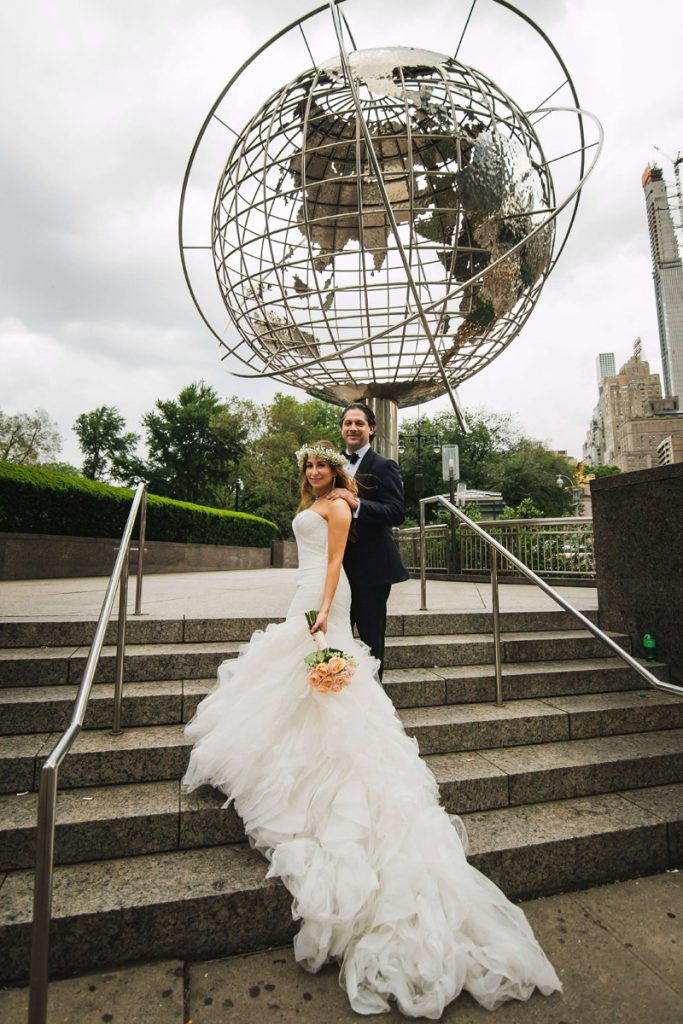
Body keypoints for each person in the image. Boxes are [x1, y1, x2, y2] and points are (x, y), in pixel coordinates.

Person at [182, 440, 561, 1019]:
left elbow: (334, 559)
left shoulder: (338, 505)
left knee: (327, 681)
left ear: (335, 472)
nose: (313, 473)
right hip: (305, 594)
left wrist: (322, 613)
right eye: (307, 466)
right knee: (297, 682)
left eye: (321, 466)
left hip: (323, 598)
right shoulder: (317, 498)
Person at [327, 402, 409, 678]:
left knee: (372, 640)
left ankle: (375, 707)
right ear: (342, 429)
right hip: (337, 570)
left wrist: (357, 503)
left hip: (373, 569)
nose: (353, 428)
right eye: (348, 423)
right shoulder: (330, 466)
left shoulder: (385, 466)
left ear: (371, 429)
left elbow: (397, 513)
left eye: (359, 423)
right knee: (336, 637)